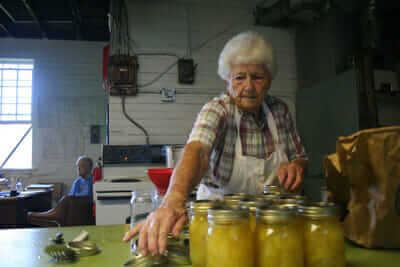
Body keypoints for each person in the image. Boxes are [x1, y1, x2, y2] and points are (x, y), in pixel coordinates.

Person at [123, 31, 308, 256]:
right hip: (221, 224)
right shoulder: (217, 109)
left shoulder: (280, 111)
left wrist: (296, 167)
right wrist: (173, 201)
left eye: (257, 77)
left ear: (269, 80)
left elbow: (299, 156)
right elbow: (198, 151)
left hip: (271, 225)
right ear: (227, 81)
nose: (249, 86)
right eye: (240, 77)